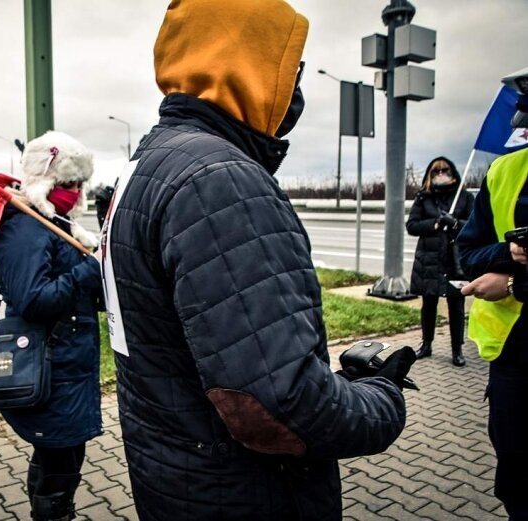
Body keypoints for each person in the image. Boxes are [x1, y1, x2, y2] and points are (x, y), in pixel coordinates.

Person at [100, 1, 416, 518]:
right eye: (291, 68)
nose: (295, 88)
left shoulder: (148, 164)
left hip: (178, 478)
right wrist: (381, 396)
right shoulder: (219, 180)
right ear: (246, 63)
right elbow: (277, 407)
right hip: (244, 495)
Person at [0, 131, 103, 521]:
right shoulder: (26, 228)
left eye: (78, 184)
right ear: (45, 181)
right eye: (66, 183)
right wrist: (89, 271)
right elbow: (33, 300)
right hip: (51, 370)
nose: (74, 192)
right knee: (61, 465)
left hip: (67, 368)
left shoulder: (57, 225)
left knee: (57, 456)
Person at [459, 66, 528, 520]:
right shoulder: (505, 170)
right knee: (517, 479)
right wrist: (508, 251)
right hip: (514, 358)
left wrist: (515, 282)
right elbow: (467, 251)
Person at [406, 156, 474, 366]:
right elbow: (412, 225)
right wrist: (435, 224)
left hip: (454, 260)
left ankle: (457, 349)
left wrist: (455, 223)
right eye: (436, 172)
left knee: (456, 305)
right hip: (429, 259)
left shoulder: (463, 197)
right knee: (428, 304)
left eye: (445, 171)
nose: (441, 175)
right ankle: (426, 344)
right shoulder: (423, 198)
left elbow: (474, 225)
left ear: (453, 174)